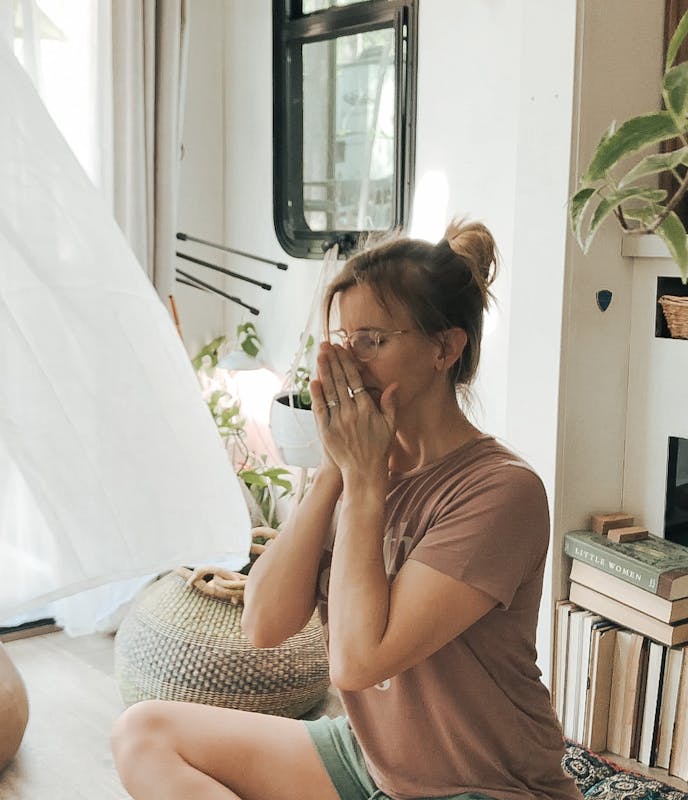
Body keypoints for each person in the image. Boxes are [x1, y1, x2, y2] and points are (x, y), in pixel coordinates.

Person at [111, 219, 579, 800]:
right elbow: (264, 624)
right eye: (340, 338)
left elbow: (358, 664)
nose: (346, 361)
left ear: (445, 347)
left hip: (487, 787)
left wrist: (361, 481)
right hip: (374, 765)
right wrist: (337, 470)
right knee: (144, 732)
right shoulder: (358, 471)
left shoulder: (502, 492)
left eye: (371, 340)